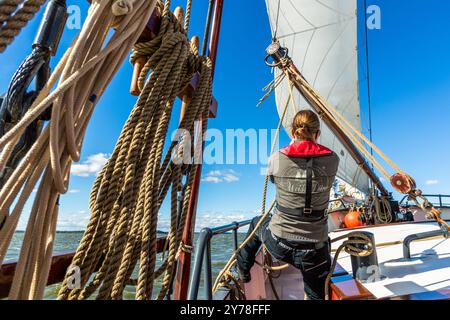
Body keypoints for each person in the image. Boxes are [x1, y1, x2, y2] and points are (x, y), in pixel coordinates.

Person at [236, 110, 339, 300]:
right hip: (314, 251)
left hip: (280, 244)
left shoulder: (276, 158)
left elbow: (275, 180)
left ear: (293, 132)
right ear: (317, 134)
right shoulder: (333, 159)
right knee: (317, 294)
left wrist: (293, 147)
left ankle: (243, 269)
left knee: (257, 223)